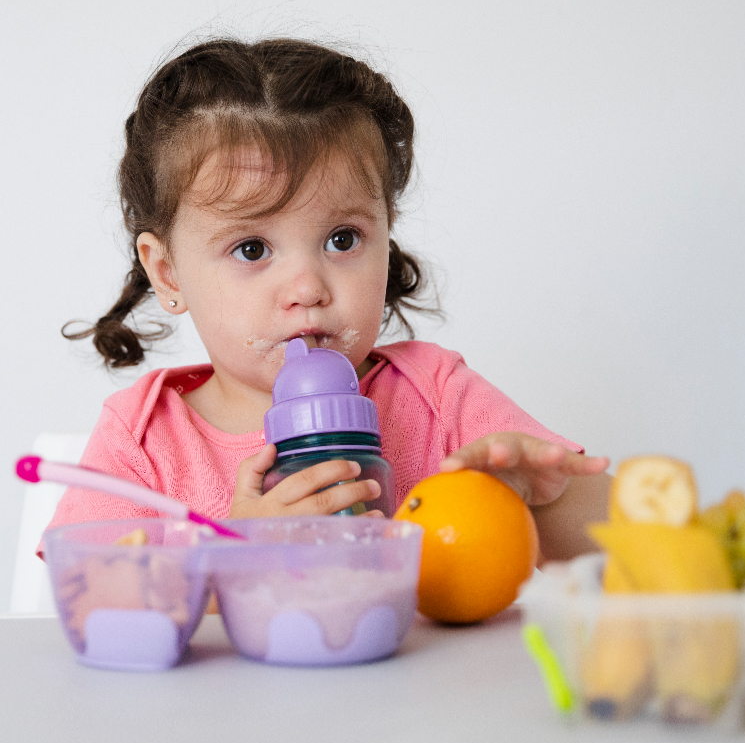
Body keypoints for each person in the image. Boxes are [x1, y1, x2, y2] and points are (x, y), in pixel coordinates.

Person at [48, 38, 609, 561]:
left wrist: (544, 498)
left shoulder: (436, 398)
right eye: (251, 248)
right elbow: (99, 601)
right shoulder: (144, 439)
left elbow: (627, 541)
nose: (308, 289)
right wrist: (235, 559)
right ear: (168, 274)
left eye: (343, 240)